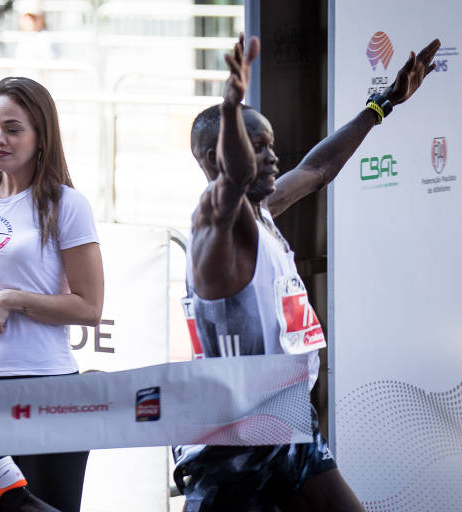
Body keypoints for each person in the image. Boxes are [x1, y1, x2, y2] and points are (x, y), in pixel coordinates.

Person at [174, 35, 440, 511]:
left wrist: (382, 105)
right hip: (233, 444)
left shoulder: (263, 212)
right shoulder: (212, 229)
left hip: (288, 423)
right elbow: (233, 177)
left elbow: (317, 168)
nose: (274, 157)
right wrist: (231, 104)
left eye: (271, 144)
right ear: (220, 159)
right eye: (259, 146)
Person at [0, 76, 104, 512]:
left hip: (49, 389)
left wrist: (14, 298)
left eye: (13, 129)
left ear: (41, 137)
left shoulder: (66, 205)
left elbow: (90, 307)